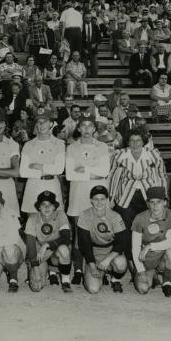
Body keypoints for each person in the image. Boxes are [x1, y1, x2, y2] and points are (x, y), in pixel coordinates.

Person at [65, 117, 110, 284]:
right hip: (78, 193)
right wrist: (93, 172)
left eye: (89, 125)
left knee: (100, 233)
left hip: (98, 195)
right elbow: (70, 174)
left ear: (94, 129)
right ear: (78, 129)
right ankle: (77, 270)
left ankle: (101, 270)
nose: (86, 128)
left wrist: (83, 169)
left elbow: (104, 171)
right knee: (79, 234)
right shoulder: (71, 148)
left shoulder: (102, 146)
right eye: (83, 125)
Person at [77, 185, 128, 294]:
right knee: (93, 289)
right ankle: (96, 275)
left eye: (102, 199)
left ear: (107, 200)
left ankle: (115, 279)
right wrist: (92, 265)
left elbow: (122, 242)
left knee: (121, 263)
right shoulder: (84, 215)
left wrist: (107, 260)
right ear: (91, 200)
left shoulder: (115, 216)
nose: (99, 202)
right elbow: (84, 244)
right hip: (93, 254)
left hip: (110, 252)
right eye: (96, 199)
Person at [131, 186, 171, 298]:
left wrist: (149, 246)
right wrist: (141, 270)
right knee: (143, 289)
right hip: (145, 260)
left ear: (165, 202)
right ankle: (152, 274)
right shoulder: (140, 218)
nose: (155, 206)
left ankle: (167, 283)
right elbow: (135, 248)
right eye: (152, 202)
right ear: (147, 203)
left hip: (161, 257)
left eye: (158, 202)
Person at [20, 107, 65, 214]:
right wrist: (48, 168)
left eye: (44, 122)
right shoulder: (28, 144)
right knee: (32, 224)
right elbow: (23, 172)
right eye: (38, 122)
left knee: (54, 223)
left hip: (52, 185)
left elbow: (59, 169)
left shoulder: (59, 143)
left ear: (51, 123)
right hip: (33, 186)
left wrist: (37, 166)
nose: (41, 125)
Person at [25, 191, 73, 292]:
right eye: (43, 205)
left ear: (54, 207)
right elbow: (30, 245)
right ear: (39, 207)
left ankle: (65, 280)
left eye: (50, 205)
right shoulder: (32, 219)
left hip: (55, 251)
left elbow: (66, 238)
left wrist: (47, 244)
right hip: (40, 254)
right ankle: (49, 271)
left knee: (64, 249)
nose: (47, 208)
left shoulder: (60, 215)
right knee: (36, 287)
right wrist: (35, 268)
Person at [81, 12, 101, 77]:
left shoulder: (95, 26)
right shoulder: (81, 26)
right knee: (85, 65)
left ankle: (95, 81)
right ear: (84, 18)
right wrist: (83, 49)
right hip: (84, 47)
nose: (88, 19)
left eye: (89, 18)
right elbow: (79, 39)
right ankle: (85, 81)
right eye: (87, 18)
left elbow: (99, 38)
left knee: (94, 65)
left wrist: (95, 44)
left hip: (93, 47)